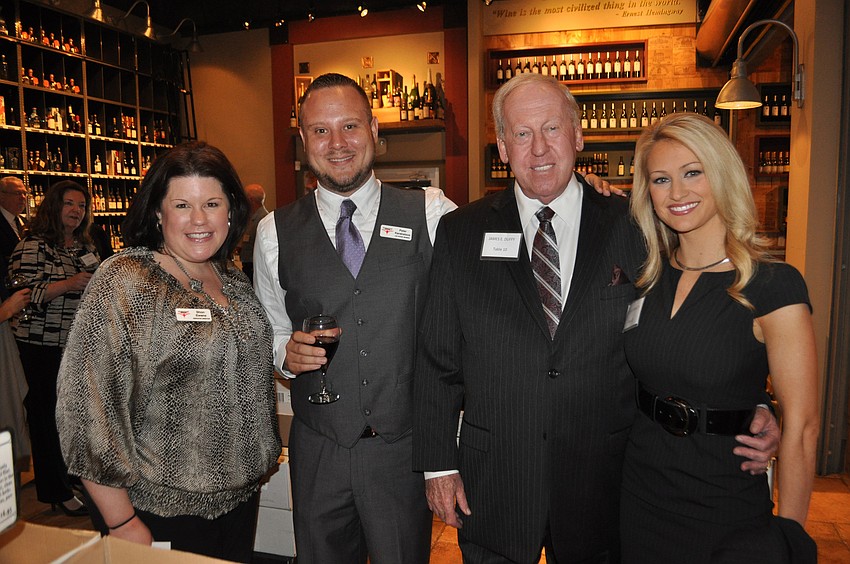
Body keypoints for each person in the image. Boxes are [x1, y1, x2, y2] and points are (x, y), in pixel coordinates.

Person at [412, 73, 780, 563]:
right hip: (495, 480)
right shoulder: (460, 232)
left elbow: (686, 330)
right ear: (502, 147)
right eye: (522, 134)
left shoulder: (638, 225)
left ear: (579, 135)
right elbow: (436, 360)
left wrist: (749, 401)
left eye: (552, 129)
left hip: (606, 481)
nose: (539, 148)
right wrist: (438, 466)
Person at [253, 72, 457, 564]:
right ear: (304, 141)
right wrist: (286, 353)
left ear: (374, 130)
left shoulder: (433, 213)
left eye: (350, 126)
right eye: (320, 130)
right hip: (319, 448)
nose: (337, 143)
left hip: (402, 452)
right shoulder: (272, 233)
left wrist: (580, 191)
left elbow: (497, 255)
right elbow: (272, 329)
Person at [56, 141, 281, 562]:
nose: (199, 219)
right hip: (156, 513)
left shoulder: (230, 278)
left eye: (211, 203)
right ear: (158, 212)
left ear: (231, 210)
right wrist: (121, 522)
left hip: (238, 505)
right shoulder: (126, 281)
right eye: (182, 205)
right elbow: (87, 408)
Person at [620, 113, 818, 562]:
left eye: (693, 172)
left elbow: (803, 426)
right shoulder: (648, 278)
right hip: (640, 493)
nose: (678, 193)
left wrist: (788, 535)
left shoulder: (773, 285)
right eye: (661, 179)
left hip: (724, 502)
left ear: (722, 174)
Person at [9, 180, 98, 517]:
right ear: (53, 207)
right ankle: (54, 490)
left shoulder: (83, 246)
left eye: (81, 205)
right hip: (40, 345)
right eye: (69, 204)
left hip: (75, 344)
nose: (76, 211)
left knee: (70, 418)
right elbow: (25, 295)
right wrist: (70, 284)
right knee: (46, 420)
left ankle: (70, 477)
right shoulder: (32, 246)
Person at [0, 176, 28, 299]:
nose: (22, 198)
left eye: (24, 193)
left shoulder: (25, 222)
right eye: (17, 193)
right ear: (2, 196)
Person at [240, 183, 268, 283]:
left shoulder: (262, 220)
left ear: (250, 200)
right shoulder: (252, 218)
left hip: (255, 268)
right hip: (249, 266)